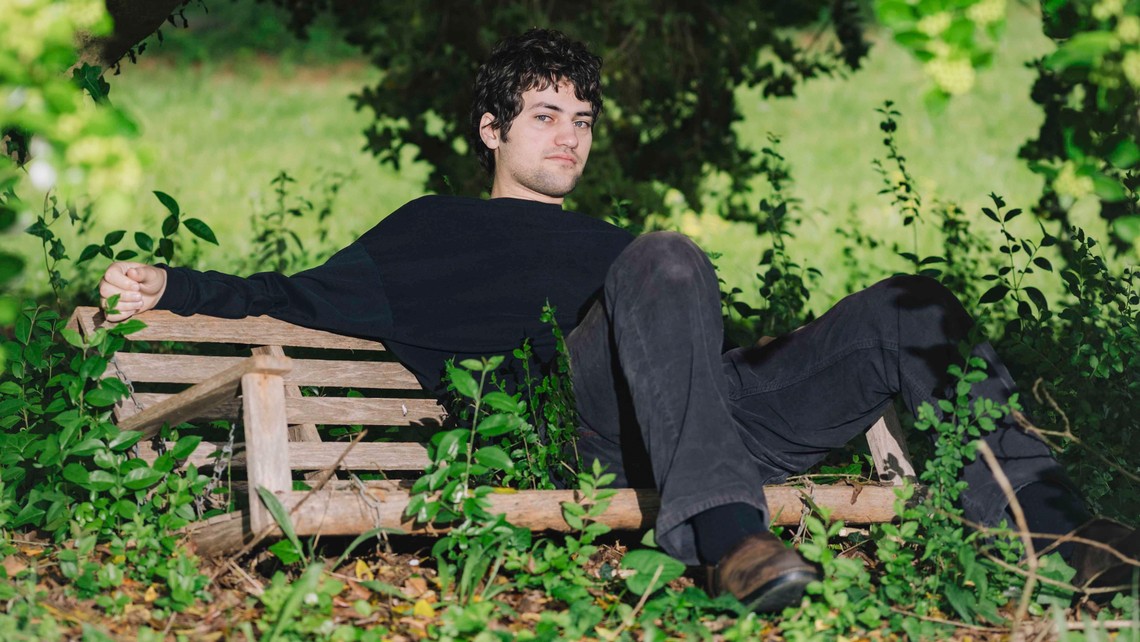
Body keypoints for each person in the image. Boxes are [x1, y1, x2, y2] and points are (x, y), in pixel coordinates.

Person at [99, 28, 1136, 612]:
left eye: (583, 120)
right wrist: (171, 286)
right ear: (491, 130)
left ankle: (1061, 536)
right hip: (593, 424)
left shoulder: (612, 243)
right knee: (669, 256)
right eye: (546, 116)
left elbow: (698, 349)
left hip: (704, 410)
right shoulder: (432, 230)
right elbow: (290, 297)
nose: (570, 136)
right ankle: (732, 542)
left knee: (911, 307)